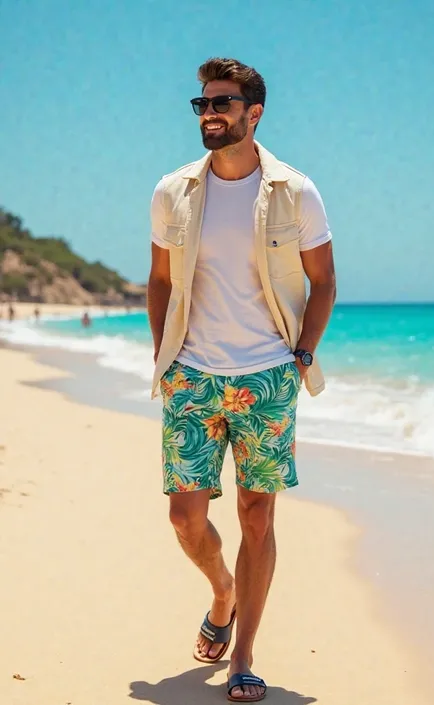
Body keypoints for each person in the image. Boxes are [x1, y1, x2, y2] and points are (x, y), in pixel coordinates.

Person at [147, 57, 336, 702]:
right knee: (183, 517)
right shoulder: (173, 190)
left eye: (221, 103)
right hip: (193, 375)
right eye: (202, 104)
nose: (210, 114)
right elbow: (161, 280)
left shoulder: (295, 192)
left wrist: (302, 354)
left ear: (254, 113)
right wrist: (162, 359)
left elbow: (324, 282)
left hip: (267, 378)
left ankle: (244, 655)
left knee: (258, 517)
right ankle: (222, 591)